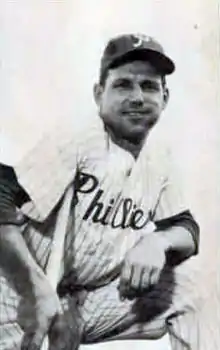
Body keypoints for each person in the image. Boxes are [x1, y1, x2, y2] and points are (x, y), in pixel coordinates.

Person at [0, 33, 200, 350]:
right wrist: (33, 289)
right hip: (16, 293)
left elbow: (187, 229)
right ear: (98, 94)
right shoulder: (78, 135)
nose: (137, 97)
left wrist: (158, 241)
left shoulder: (160, 158)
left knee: (196, 281)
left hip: (87, 302)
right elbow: (2, 192)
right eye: (123, 85)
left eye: (149, 86)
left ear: (165, 97)